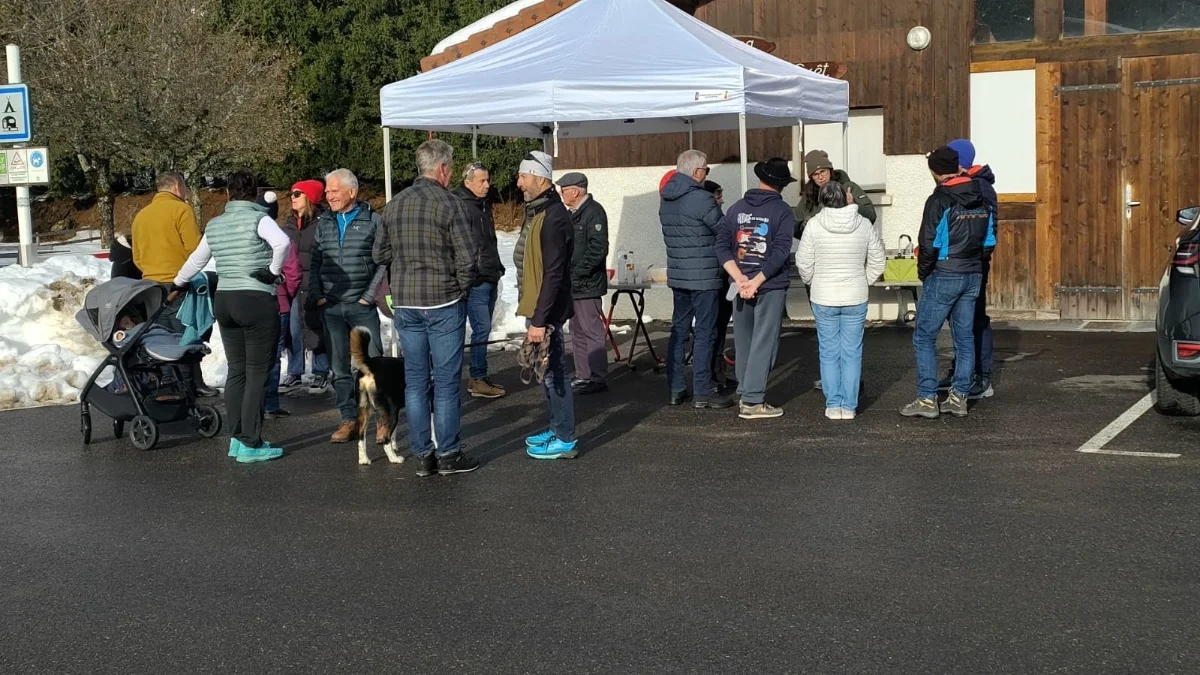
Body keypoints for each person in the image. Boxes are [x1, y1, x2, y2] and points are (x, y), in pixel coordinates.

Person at [374, 140, 480, 477]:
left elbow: (379, 254)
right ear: (444, 169)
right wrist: (461, 289)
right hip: (444, 300)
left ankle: (423, 454)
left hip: (407, 301)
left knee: (415, 382)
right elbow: (468, 257)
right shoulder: (452, 205)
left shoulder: (394, 205)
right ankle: (448, 453)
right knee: (446, 382)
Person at [173, 171, 291, 463]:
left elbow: (197, 259)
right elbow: (283, 244)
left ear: (227, 193)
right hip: (255, 299)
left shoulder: (215, 224)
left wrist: (176, 283)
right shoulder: (260, 219)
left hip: (225, 300)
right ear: (254, 194)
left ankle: (236, 439)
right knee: (257, 373)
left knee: (237, 372)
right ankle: (252, 443)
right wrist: (274, 271)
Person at [901, 146, 993, 419]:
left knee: (924, 335)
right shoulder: (981, 195)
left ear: (935, 171)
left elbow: (928, 243)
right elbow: (989, 241)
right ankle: (959, 397)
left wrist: (925, 272)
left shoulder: (939, 199)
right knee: (964, 337)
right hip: (972, 271)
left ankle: (927, 399)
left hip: (944, 271)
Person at [309, 169, 387, 444]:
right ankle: (348, 419)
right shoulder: (324, 223)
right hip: (331, 306)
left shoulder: (373, 221)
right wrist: (317, 293)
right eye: (327, 191)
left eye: (334, 191)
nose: (328, 196)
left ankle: (381, 420)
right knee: (339, 369)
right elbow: (315, 261)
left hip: (361, 305)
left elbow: (382, 261)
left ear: (352, 192)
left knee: (372, 364)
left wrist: (367, 295)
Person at [715, 158, 797, 420]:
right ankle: (752, 401)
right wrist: (757, 281)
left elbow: (721, 246)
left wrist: (740, 279)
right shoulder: (783, 211)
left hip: (739, 284)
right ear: (782, 184)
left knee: (744, 339)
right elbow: (781, 250)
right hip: (769, 284)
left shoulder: (736, 208)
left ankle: (745, 388)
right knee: (765, 341)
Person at [796, 182, 886, 420]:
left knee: (828, 352)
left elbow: (803, 263)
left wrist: (813, 280)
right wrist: (863, 280)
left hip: (823, 296)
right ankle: (849, 405)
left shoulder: (814, 225)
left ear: (823, 200)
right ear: (846, 199)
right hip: (855, 296)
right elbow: (878, 260)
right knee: (852, 352)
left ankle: (833, 404)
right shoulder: (864, 224)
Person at [514, 151, 578, 460]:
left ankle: (565, 438)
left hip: (547, 310)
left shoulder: (553, 217)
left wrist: (539, 320)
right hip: (542, 308)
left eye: (523, 177)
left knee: (554, 372)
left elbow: (553, 272)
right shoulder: (542, 212)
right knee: (548, 371)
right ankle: (556, 427)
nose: (518, 183)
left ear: (540, 178)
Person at [131, 170, 216, 397]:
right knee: (184, 338)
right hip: (178, 285)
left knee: (159, 340)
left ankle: (166, 386)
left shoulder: (141, 216)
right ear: (178, 187)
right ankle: (189, 387)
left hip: (149, 288)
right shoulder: (181, 210)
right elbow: (195, 250)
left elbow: (137, 257)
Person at [660, 149, 732, 410]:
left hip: (679, 273)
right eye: (706, 170)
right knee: (705, 332)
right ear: (697, 172)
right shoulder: (702, 200)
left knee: (679, 331)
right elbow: (724, 232)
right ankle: (703, 390)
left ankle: (676, 388)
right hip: (704, 276)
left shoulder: (666, 198)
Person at [944, 138, 998, 400]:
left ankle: (982, 376)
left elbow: (989, 232)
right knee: (959, 320)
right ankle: (961, 371)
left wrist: (975, 258)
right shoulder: (961, 184)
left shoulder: (982, 188)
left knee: (975, 319)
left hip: (973, 265)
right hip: (959, 263)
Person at [453, 162, 506, 400]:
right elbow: (463, 246)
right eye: (481, 181)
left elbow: (488, 242)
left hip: (490, 274)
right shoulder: (461, 206)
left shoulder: (481, 205)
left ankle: (477, 376)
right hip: (475, 279)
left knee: (482, 329)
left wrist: (497, 266)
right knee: (480, 328)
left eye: (488, 180)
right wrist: (471, 273)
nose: (487, 185)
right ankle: (477, 377)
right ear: (467, 182)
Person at [558, 171, 610, 395]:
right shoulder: (572, 213)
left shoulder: (594, 213)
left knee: (591, 330)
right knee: (577, 330)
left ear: (576, 190)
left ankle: (597, 377)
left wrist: (577, 273)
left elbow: (598, 249)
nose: (561, 194)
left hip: (586, 284)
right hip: (573, 284)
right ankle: (583, 375)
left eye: (564, 189)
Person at [280, 179, 331, 394]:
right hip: (292, 283)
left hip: (313, 283)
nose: (293, 197)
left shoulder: (322, 223)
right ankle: (294, 370)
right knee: (293, 329)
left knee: (316, 327)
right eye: (292, 193)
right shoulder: (289, 224)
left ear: (309, 197)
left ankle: (320, 372)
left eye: (298, 193)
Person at [264, 192, 302, 420]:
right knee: (273, 355)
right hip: (278, 303)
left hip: (249, 302)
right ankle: (270, 403)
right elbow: (294, 273)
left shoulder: (246, 237)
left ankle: (252, 403)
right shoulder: (281, 237)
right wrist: (286, 294)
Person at [793, 150, 876, 239]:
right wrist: (802, 227)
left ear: (830, 170)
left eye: (823, 171)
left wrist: (853, 205)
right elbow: (793, 224)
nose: (820, 177)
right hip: (822, 247)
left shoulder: (848, 187)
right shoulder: (810, 195)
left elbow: (871, 215)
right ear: (811, 178)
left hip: (849, 243)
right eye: (815, 174)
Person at [703, 179, 736, 391]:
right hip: (715, 278)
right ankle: (713, 375)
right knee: (714, 329)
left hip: (721, 278)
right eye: (718, 195)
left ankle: (717, 371)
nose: (722, 200)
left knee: (719, 328)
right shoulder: (711, 217)